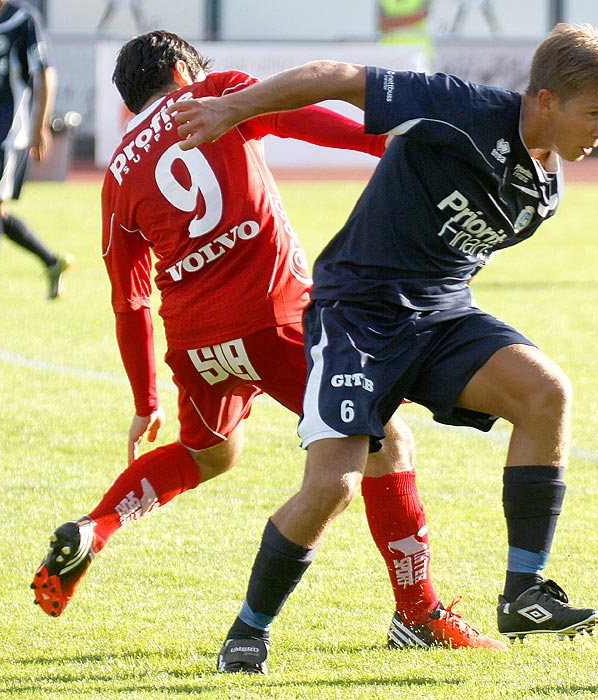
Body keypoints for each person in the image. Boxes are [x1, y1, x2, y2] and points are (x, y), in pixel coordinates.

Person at [168, 22, 598, 674]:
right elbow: (336, 75)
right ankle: (248, 630)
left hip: (441, 315)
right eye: (596, 114)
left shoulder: (548, 187)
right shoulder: (463, 111)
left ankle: (523, 591)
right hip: (356, 315)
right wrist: (230, 108)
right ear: (547, 100)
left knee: (545, 393)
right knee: (334, 486)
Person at [29, 30, 504, 658]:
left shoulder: (116, 177)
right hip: (277, 322)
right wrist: (385, 141)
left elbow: (131, 302)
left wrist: (146, 398)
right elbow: (304, 119)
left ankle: (97, 526)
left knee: (208, 457)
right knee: (387, 443)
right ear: (180, 70)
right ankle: (417, 613)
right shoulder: (214, 95)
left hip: (198, 344)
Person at [0, 0, 72, 306]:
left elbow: (45, 73)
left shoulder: (23, 18)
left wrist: (41, 126)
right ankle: (52, 261)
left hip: (11, 131)